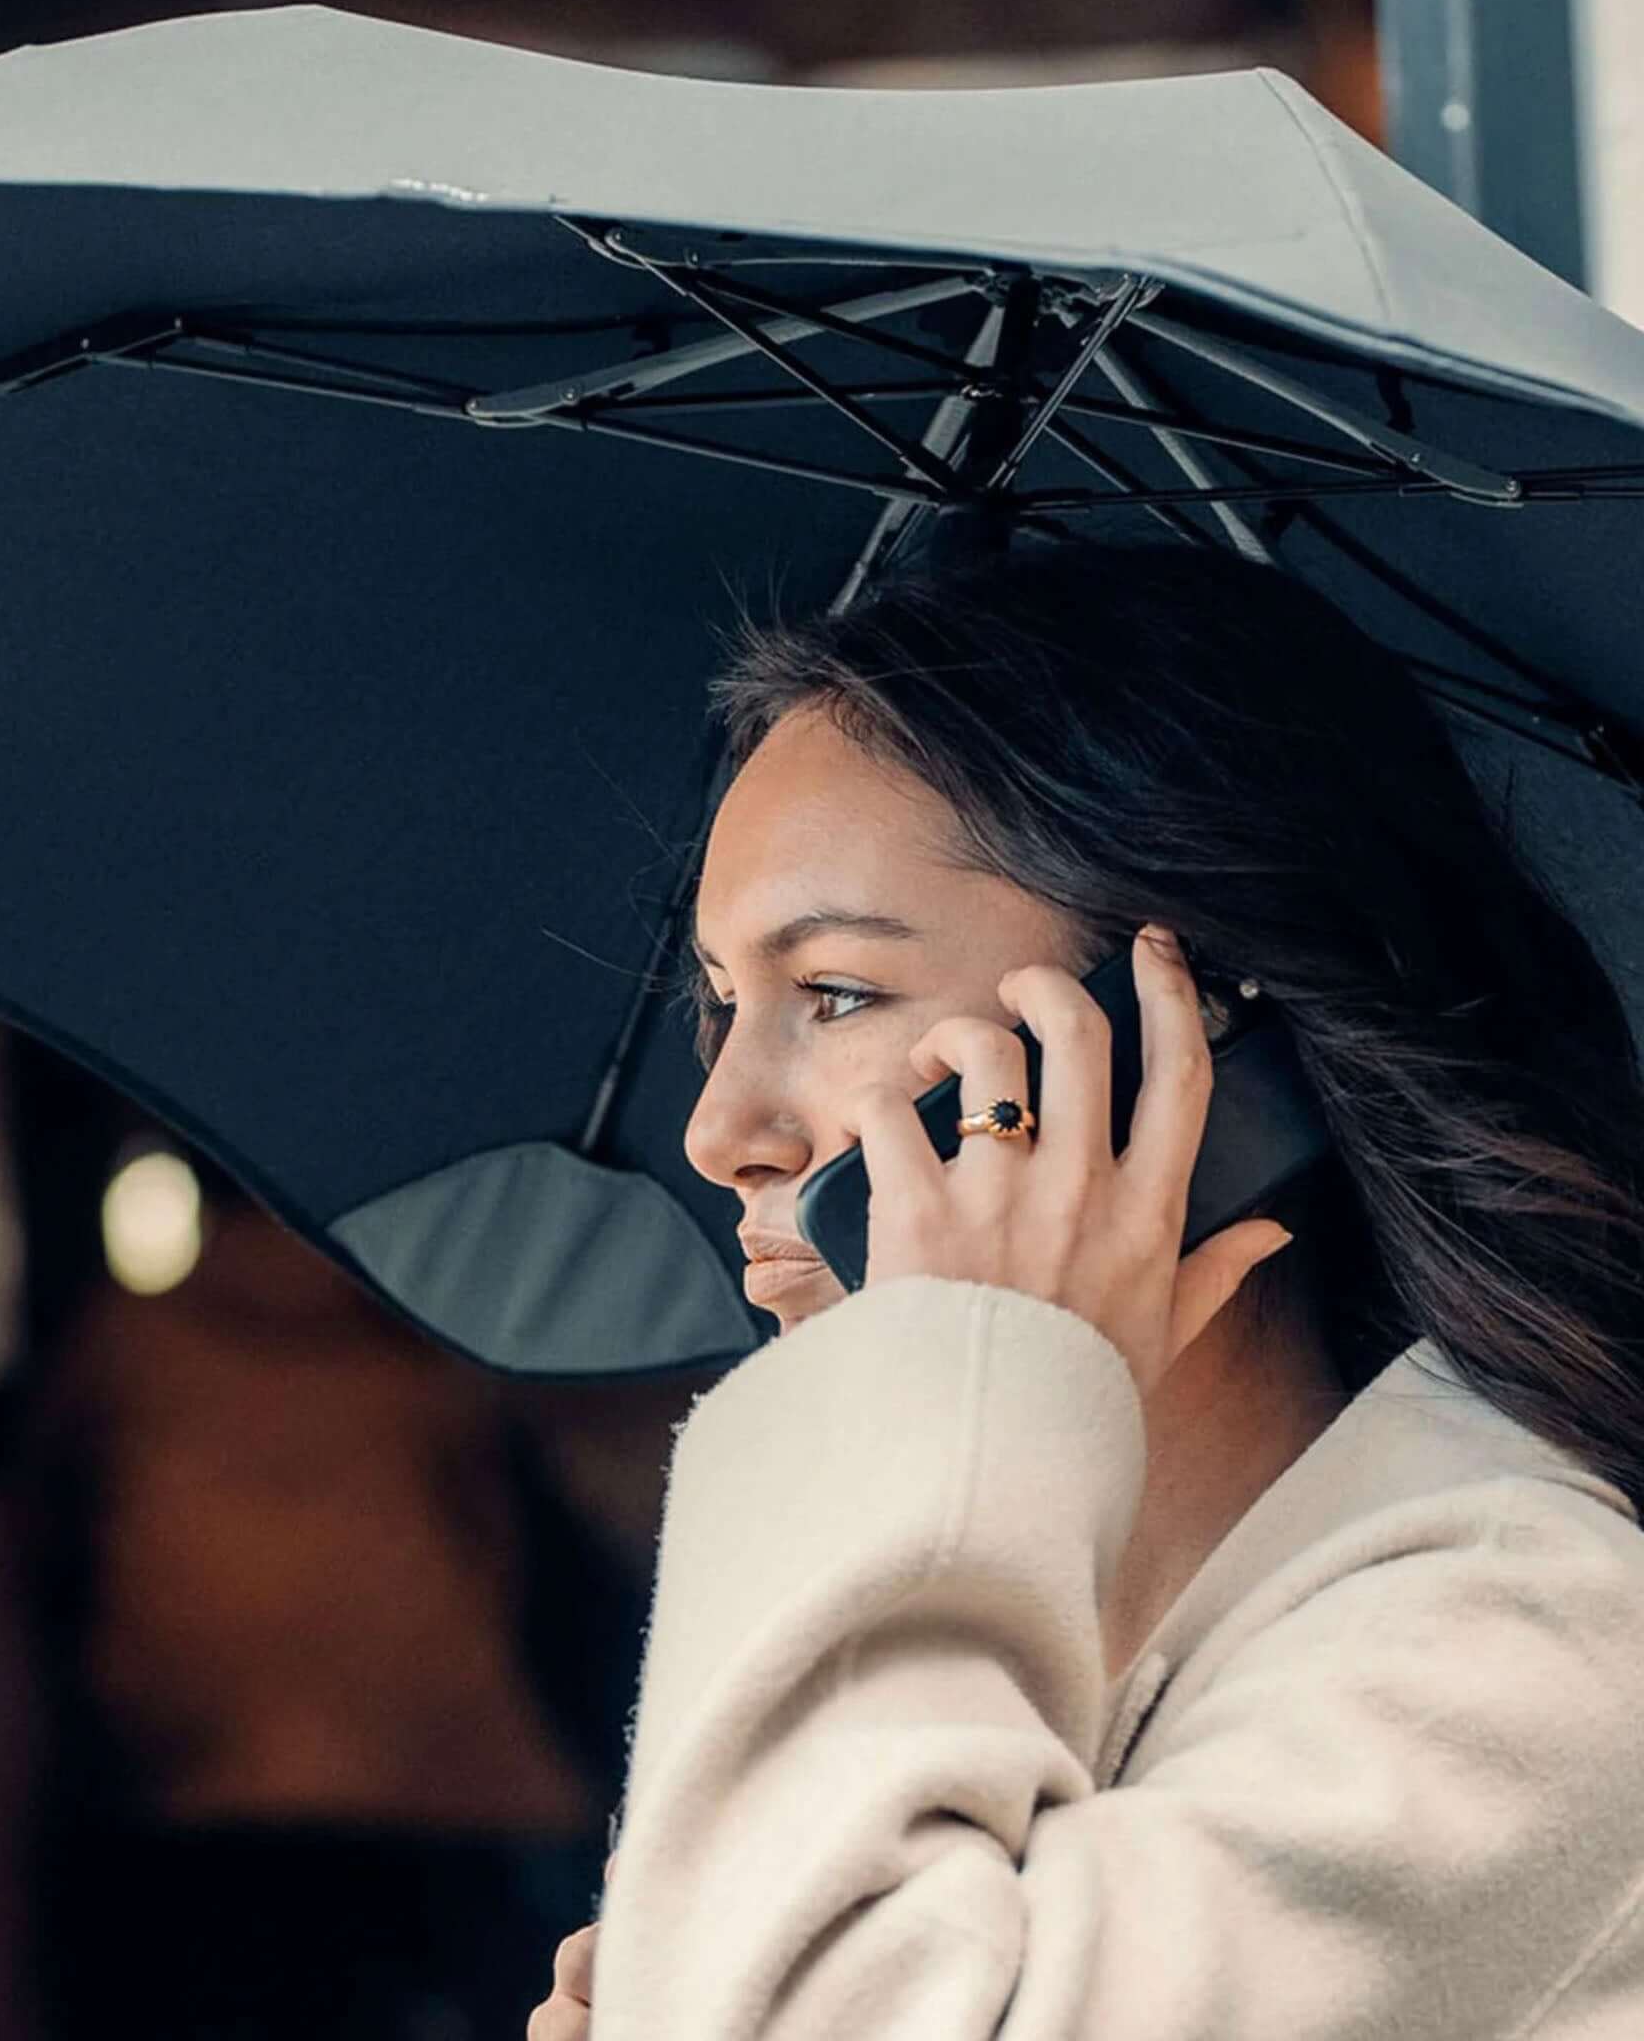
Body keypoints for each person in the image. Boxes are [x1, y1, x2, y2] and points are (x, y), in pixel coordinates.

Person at [526, 537, 1644, 2039]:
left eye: (837, 994)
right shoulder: (1067, 1666)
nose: (718, 1129)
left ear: (1190, 1055)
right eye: (723, 1007)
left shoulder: (1518, 1647)